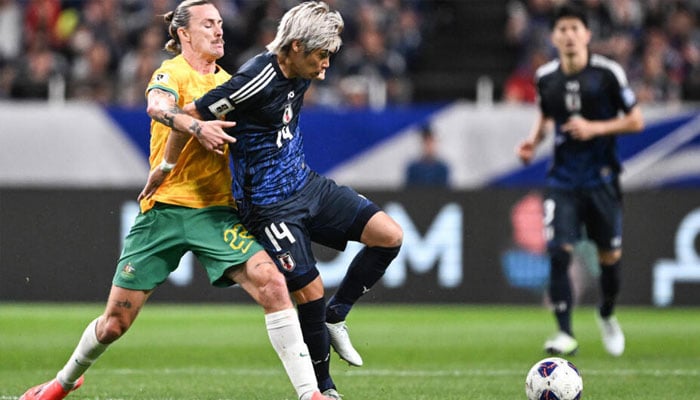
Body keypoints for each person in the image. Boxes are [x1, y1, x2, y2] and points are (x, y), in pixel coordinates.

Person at [19, 2, 331, 400]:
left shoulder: (235, 83)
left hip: (216, 213)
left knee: (272, 284)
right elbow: (158, 107)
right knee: (114, 323)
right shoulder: (172, 73)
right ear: (184, 34)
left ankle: (311, 394)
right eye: (207, 25)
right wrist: (193, 133)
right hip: (163, 211)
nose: (219, 32)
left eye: (220, 24)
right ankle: (62, 382)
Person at [143, 1, 403, 397]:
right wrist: (165, 165)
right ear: (296, 47)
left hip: (306, 185)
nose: (326, 65)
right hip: (268, 207)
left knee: (390, 236)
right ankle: (324, 389)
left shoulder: (303, 63)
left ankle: (338, 315)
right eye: (321, 56)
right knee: (310, 290)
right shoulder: (254, 80)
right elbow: (189, 113)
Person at [515, 3, 644, 357]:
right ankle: (565, 333)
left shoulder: (607, 73)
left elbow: (636, 120)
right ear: (554, 37)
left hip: (602, 179)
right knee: (558, 252)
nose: (569, 35)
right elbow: (545, 116)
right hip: (563, 180)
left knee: (609, 258)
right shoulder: (546, 77)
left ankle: (607, 313)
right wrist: (532, 141)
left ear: (587, 34)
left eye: (575, 28)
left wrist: (595, 128)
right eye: (563, 29)